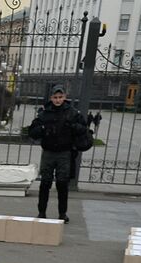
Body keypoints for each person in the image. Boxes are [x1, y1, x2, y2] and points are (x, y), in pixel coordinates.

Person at [27, 83, 87, 223]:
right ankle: (42, 212)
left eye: (60, 97)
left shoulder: (72, 113)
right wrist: (42, 129)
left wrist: (72, 126)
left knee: (62, 184)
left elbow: (83, 129)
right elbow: (32, 132)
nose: (58, 100)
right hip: (48, 152)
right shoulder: (44, 113)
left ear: (65, 97)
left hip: (64, 153)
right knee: (45, 183)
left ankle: (62, 213)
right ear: (51, 98)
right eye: (55, 97)